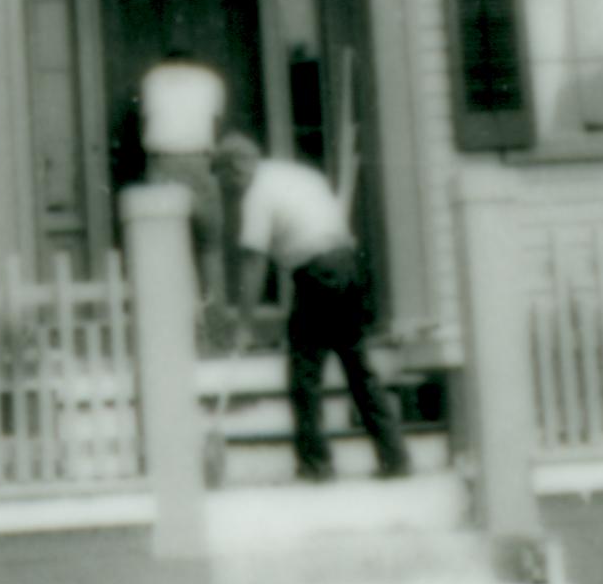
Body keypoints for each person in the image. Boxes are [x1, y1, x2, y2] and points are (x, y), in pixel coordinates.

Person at [215, 132, 409, 483]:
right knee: (357, 366)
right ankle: (395, 458)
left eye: (228, 181)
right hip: (350, 265)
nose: (232, 190)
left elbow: (253, 263)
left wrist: (244, 323)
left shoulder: (258, 194)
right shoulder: (294, 174)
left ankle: (316, 466)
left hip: (319, 274)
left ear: (236, 168)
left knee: (305, 375)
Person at [135, 47, 232, 346]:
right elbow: (215, 127)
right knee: (210, 250)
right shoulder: (210, 80)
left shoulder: (152, 79)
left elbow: (145, 122)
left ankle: (170, 338)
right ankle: (216, 336)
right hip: (200, 162)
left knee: (164, 252)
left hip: (162, 162)